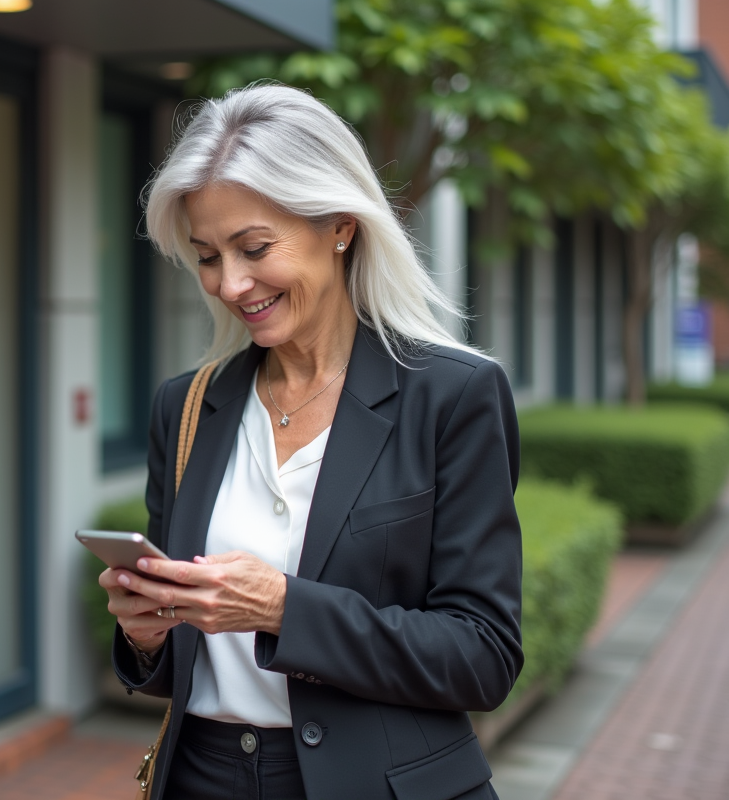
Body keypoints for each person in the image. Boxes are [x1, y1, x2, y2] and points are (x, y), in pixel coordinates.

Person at [98, 83, 522, 800]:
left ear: (340, 226)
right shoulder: (188, 406)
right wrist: (146, 634)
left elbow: (482, 657)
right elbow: (181, 663)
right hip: (200, 776)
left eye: (254, 247)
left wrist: (284, 609)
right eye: (207, 256)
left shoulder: (452, 396)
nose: (231, 284)